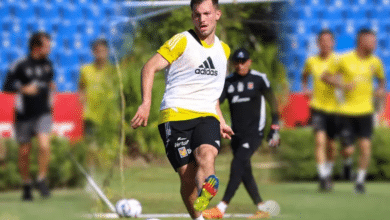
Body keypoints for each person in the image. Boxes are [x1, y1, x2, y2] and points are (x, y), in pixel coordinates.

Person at [131, 0, 234, 219]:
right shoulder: (182, 41)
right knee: (187, 177)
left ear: (217, 14)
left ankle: (205, 197)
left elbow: (213, 93)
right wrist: (146, 103)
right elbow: (149, 67)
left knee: (206, 156)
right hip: (175, 115)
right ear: (192, 17)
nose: (202, 19)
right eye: (197, 14)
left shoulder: (223, 50)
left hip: (206, 115)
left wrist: (222, 121)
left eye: (206, 13)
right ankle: (198, 216)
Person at [202, 48, 280, 219]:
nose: (240, 65)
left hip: (254, 133)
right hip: (235, 135)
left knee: (236, 165)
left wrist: (275, 126)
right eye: (236, 62)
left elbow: (273, 103)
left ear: (249, 62)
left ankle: (221, 208)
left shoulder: (259, 79)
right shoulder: (228, 82)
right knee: (245, 172)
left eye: (243, 61)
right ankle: (262, 208)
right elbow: (215, 103)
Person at [323, 29, 386, 193]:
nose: (374, 44)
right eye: (371, 41)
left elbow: (381, 79)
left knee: (365, 147)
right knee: (348, 149)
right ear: (361, 41)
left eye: (375, 41)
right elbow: (325, 76)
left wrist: (380, 89)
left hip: (366, 111)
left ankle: (359, 182)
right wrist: (342, 85)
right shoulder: (344, 59)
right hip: (345, 112)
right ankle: (347, 163)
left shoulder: (376, 62)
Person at [2, 32, 55, 201]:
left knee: (44, 146)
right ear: (36, 47)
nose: (50, 48)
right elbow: (6, 86)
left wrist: (51, 89)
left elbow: (48, 84)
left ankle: (41, 179)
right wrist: (23, 89)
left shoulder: (48, 64)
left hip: (43, 113)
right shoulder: (20, 65)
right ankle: (26, 184)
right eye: (47, 45)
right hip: (24, 114)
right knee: (24, 152)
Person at [301, 30, 339, 191]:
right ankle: (323, 177)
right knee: (319, 141)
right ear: (318, 43)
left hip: (336, 108)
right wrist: (305, 89)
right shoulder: (311, 61)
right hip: (317, 107)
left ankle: (328, 173)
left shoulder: (339, 61)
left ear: (333, 43)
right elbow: (305, 76)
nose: (325, 43)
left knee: (332, 146)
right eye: (322, 41)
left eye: (328, 40)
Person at [78, 39, 118, 170]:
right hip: (91, 114)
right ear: (93, 52)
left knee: (107, 147)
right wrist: (82, 102)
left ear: (107, 52)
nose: (100, 54)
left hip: (109, 115)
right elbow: (81, 88)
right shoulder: (86, 70)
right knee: (91, 146)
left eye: (102, 51)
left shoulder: (113, 70)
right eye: (97, 51)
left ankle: (107, 174)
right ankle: (91, 174)